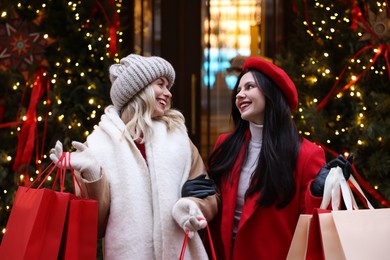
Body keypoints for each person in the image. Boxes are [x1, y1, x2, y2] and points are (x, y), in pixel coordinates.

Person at [182, 56, 353, 259]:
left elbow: (312, 223)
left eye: (249, 87)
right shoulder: (226, 145)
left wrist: (318, 191)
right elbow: (213, 201)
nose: (240, 95)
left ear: (271, 92)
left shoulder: (306, 154)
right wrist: (192, 195)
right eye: (238, 90)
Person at [50, 54, 218, 259]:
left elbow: (208, 194)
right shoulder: (96, 146)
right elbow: (95, 227)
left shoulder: (179, 138)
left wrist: (192, 207)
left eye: (168, 86)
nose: (168, 93)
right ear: (139, 89)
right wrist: (93, 174)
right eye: (161, 84)